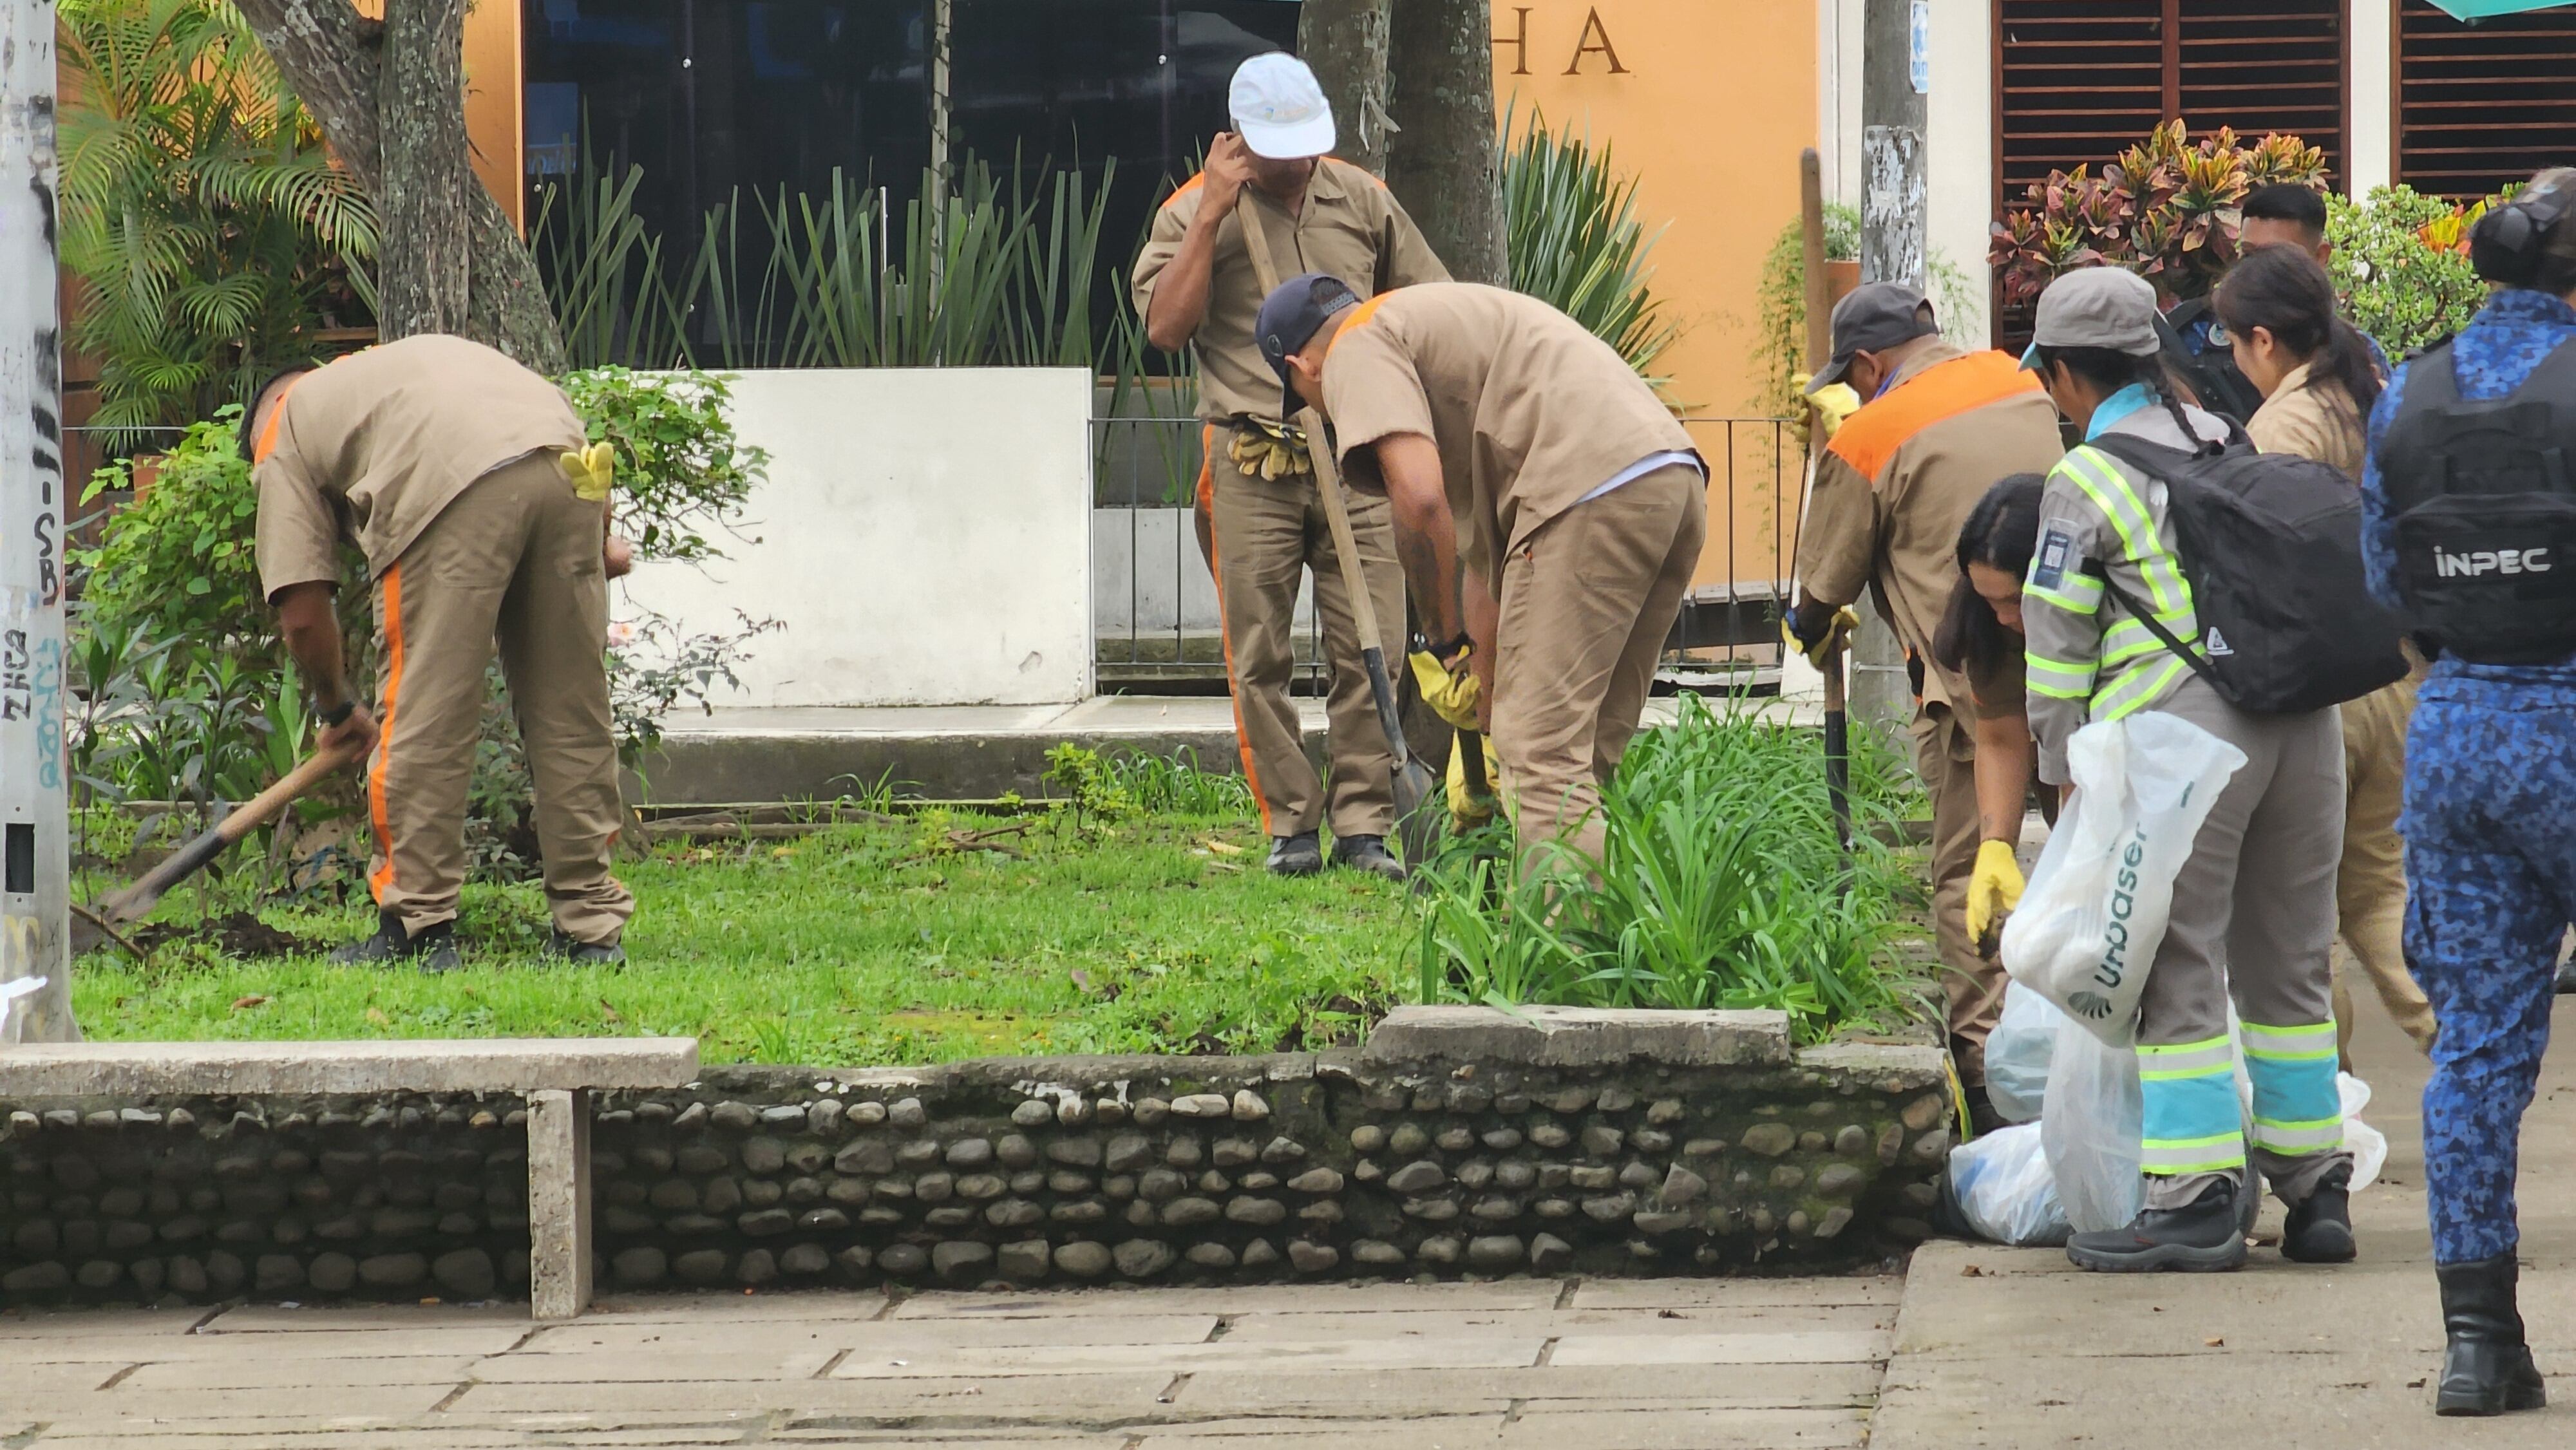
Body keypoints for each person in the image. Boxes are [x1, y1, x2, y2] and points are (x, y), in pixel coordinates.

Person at [2017, 266, 2353, 1273]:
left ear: (2071, 375)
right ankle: (2316, 1188)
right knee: (2287, 963)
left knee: (2176, 962)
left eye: (2052, 378)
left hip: (2188, 741)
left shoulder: (2084, 479)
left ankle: (2197, 1200)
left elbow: (2054, 642)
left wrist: (2061, 770)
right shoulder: (2224, 435)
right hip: (2304, 721)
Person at [1253, 274, 1703, 874]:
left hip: (1583, 489)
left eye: (1304, 397)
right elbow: (1486, 566)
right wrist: (1486, 708)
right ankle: (1607, 951)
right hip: (1666, 478)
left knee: (1543, 759)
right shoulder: (1438, 331)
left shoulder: (1354, 347)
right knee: (1580, 758)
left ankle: (1551, 965)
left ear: (1301, 366)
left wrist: (1439, 639)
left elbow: (1418, 502)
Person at [2362, 166, 2576, 1417]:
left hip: (2455, 736)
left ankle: (2475, 1343)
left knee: (2477, 1049)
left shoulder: (2409, 390)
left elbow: (2383, 581)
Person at [1131, 51, 1448, 881]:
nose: (1299, 162)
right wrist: (1211, 217)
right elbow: (1165, 329)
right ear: (1235, 140)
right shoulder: (1189, 212)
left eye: (1309, 143)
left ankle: (1365, 824)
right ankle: (1291, 825)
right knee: (1259, 653)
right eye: (1280, 147)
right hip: (1248, 459)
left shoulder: (1361, 199)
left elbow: (1426, 303)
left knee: (1367, 643)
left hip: (1355, 456)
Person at [248, 334, 635, 971]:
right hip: (570, 460)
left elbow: (300, 610)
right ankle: (591, 928)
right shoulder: (387, 374)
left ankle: (414, 924)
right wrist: (595, 541)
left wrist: (338, 706)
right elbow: (564, 434)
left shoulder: (282, 426)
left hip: (449, 480)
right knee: (573, 713)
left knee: (426, 714)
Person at [1783, 283, 2066, 1125]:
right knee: (2092, 853)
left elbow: (1817, 594)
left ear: (1866, 366)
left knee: (1970, 873)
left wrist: (1829, 459)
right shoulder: (2021, 382)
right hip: (2079, 663)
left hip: (1974, 684)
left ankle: (1991, 1075)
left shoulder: (1868, 435)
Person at [2214, 245, 2438, 1066]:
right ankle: (2461, 1042)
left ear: (2263, 339)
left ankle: (2326, 1096)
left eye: (2233, 341)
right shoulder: (2375, 393)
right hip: (2398, 673)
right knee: (2380, 887)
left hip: (2325, 698)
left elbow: (2270, 575)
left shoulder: (2277, 429)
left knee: (2296, 914)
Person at [1931, 473, 2050, 952]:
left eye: (2015, 602)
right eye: (1989, 601)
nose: (2004, 617)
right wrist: (1997, 845)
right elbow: (2001, 737)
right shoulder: (1994, 629)